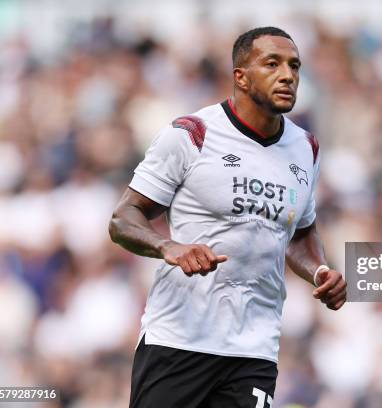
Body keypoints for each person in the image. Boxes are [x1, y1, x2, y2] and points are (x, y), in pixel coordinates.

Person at [108, 26, 347, 408]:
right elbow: (123, 218)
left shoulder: (306, 148)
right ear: (241, 76)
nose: (288, 75)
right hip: (178, 340)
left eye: (294, 66)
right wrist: (168, 246)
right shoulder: (193, 134)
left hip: (254, 349)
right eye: (272, 64)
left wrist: (319, 271)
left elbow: (300, 232)